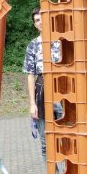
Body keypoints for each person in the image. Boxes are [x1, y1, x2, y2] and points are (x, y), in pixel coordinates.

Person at [23, 8, 63, 158]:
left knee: (67, 137)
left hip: (63, 93)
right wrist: (32, 104)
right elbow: (30, 75)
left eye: (43, 18)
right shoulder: (33, 46)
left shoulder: (61, 41)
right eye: (37, 20)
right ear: (35, 24)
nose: (41, 22)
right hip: (42, 94)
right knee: (46, 142)